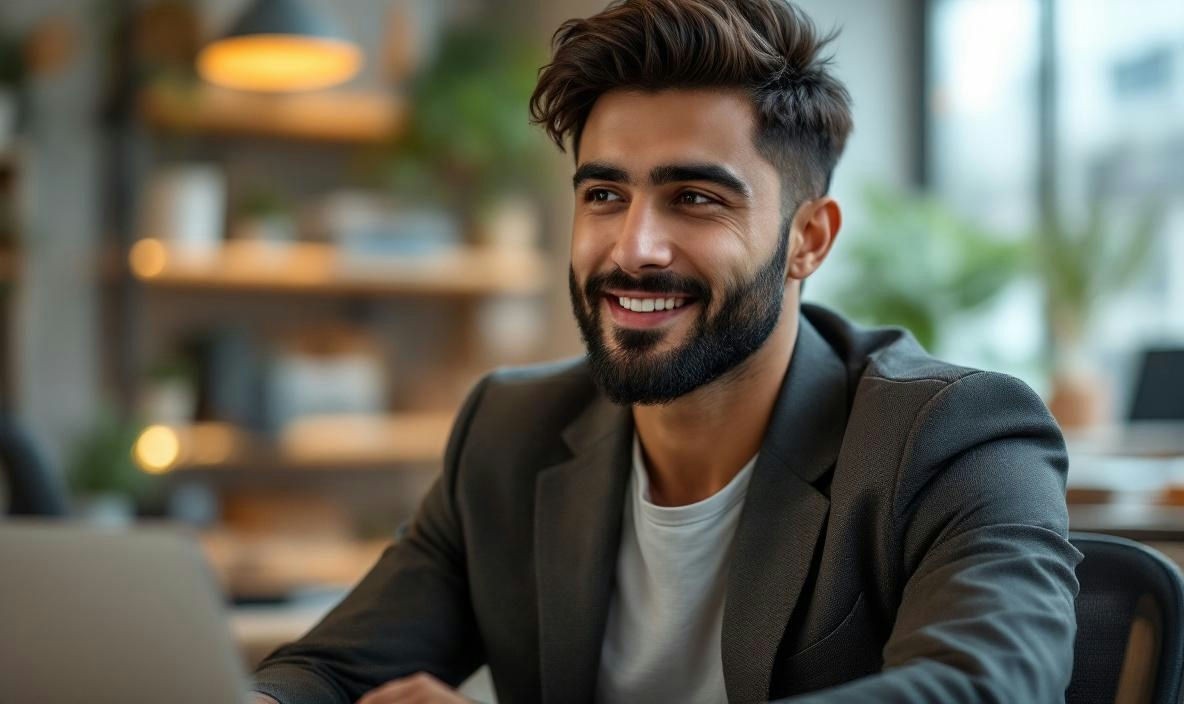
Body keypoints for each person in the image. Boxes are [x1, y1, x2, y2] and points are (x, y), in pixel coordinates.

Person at [251, 1, 1081, 702]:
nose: (634, 247)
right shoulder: (508, 432)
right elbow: (322, 673)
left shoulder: (955, 434)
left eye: (694, 198)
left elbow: (984, 687)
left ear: (808, 240)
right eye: (605, 195)